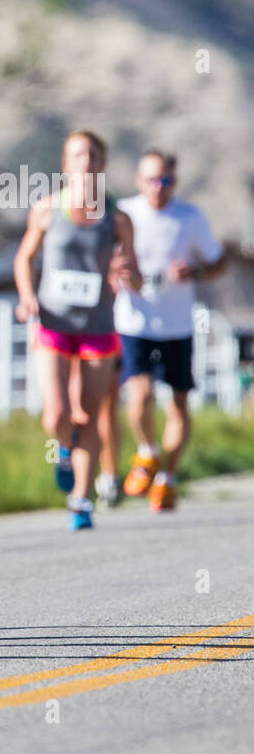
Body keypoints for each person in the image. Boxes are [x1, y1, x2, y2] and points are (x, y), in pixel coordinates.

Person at [13, 129, 141, 530]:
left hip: (98, 327)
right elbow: (24, 258)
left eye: (92, 155)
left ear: (102, 164)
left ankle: (81, 498)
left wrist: (127, 274)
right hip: (52, 321)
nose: (85, 162)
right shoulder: (47, 210)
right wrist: (27, 296)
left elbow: (135, 276)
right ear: (66, 165)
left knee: (88, 413)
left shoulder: (118, 219)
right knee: (57, 414)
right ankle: (64, 450)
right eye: (76, 155)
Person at [112, 150, 226, 511]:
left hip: (177, 324)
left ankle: (168, 480)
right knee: (140, 395)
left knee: (179, 403)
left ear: (174, 181)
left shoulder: (190, 217)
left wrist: (194, 273)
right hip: (135, 321)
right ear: (137, 180)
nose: (157, 187)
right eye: (150, 179)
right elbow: (105, 260)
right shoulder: (124, 214)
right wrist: (117, 273)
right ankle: (147, 453)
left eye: (165, 180)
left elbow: (218, 261)